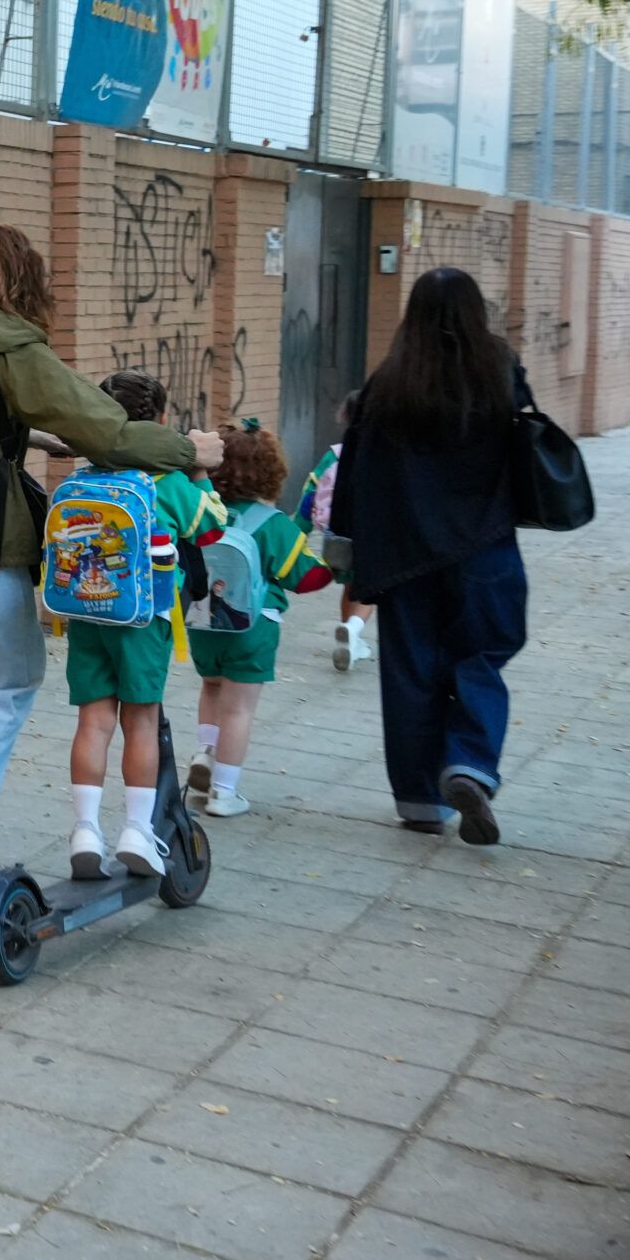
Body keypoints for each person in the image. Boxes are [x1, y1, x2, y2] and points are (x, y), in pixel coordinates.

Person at [0, 224, 222, 903]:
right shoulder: (11, 346)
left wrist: (26, 433)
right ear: (18, 279)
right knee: (4, 687)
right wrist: (190, 451)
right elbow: (108, 429)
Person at [331, 268, 528, 844]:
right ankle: (469, 763)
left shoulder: (389, 382)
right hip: (484, 548)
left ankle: (419, 800)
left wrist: (345, 541)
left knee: (409, 670)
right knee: (482, 655)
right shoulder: (498, 370)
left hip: (405, 555)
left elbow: (356, 468)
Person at [64, 372, 227, 878]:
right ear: (160, 421)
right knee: (141, 721)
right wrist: (200, 473)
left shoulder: (86, 478)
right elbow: (213, 526)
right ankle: (136, 830)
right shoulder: (168, 482)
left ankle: (85, 830)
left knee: (93, 721)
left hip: (87, 614)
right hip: (143, 619)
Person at [188, 420, 335, 816]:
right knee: (238, 709)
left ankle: (205, 751)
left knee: (211, 689)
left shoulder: (200, 511)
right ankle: (224, 793)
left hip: (201, 622)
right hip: (252, 628)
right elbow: (306, 578)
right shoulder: (273, 525)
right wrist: (338, 566)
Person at [297, 400, 375, 671]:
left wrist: (298, 532)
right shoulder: (385, 454)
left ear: (344, 417)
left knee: (349, 586)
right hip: (372, 536)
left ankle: (350, 641)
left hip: (337, 536)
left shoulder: (335, 455)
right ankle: (353, 630)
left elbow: (311, 493)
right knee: (368, 590)